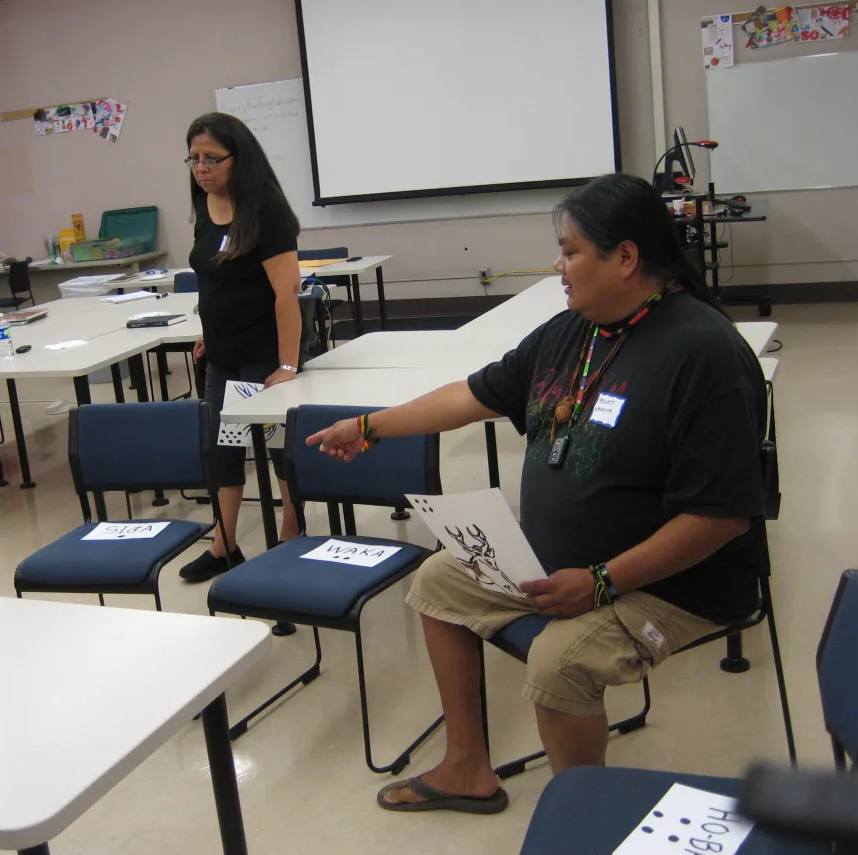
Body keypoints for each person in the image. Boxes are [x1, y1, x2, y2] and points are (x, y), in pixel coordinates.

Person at [308, 174, 767, 813]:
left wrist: (601, 581)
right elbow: (471, 395)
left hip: (671, 587)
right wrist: (368, 427)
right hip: (561, 564)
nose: (559, 266)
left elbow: (720, 519)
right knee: (440, 580)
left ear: (626, 257)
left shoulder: (704, 354)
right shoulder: (572, 331)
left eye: (571, 251)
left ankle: (580, 822)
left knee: (559, 663)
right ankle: (467, 767)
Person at [178, 113, 304, 583]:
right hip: (223, 353)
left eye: (212, 158)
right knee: (221, 449)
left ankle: (292, 532)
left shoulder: (266, 210)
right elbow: (215, 275)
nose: (201, 167)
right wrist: (212, 330)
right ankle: (224, 544)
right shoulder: (205, 203)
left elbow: (286, 293)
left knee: (276, 450)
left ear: (238, 157)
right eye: (194, 158)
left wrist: (287, 364)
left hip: (265, 354)